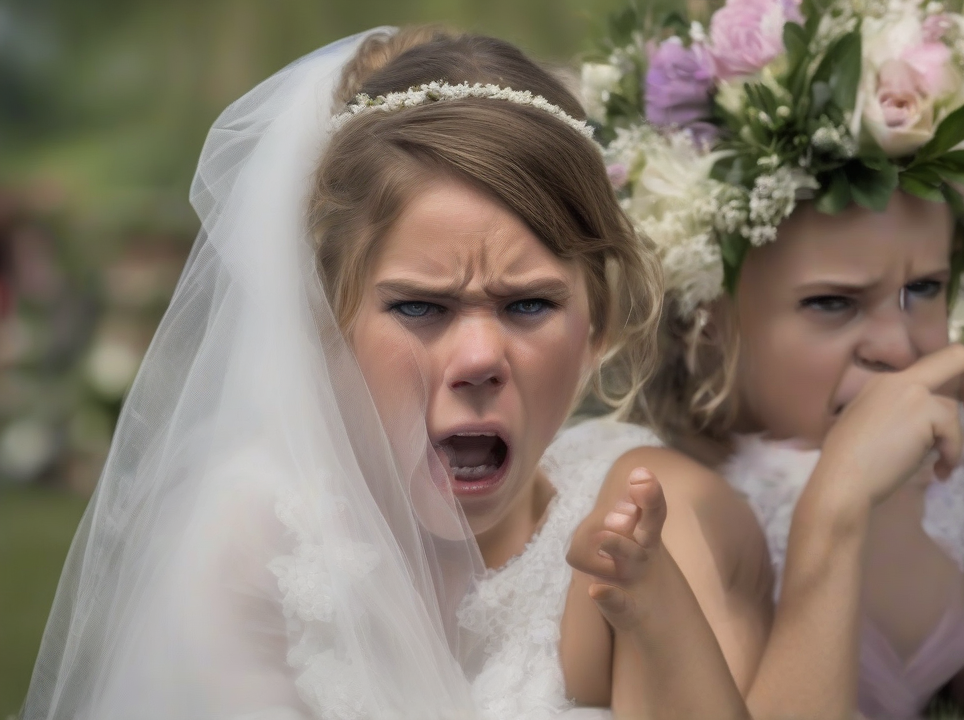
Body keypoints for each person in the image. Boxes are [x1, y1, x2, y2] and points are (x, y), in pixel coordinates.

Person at [19, 26, 767, 720]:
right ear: (322, 326)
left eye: (530, 304)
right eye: (419, 308)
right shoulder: (251, 553)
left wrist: (659, 610)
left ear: (598, 325)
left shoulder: (649, 526)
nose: (479, 361)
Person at [575, 0, 964, 716]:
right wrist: (835, 512)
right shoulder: (662, 507)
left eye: (925, 289)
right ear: (706, 315)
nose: (898, 348)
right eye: (833, 304)